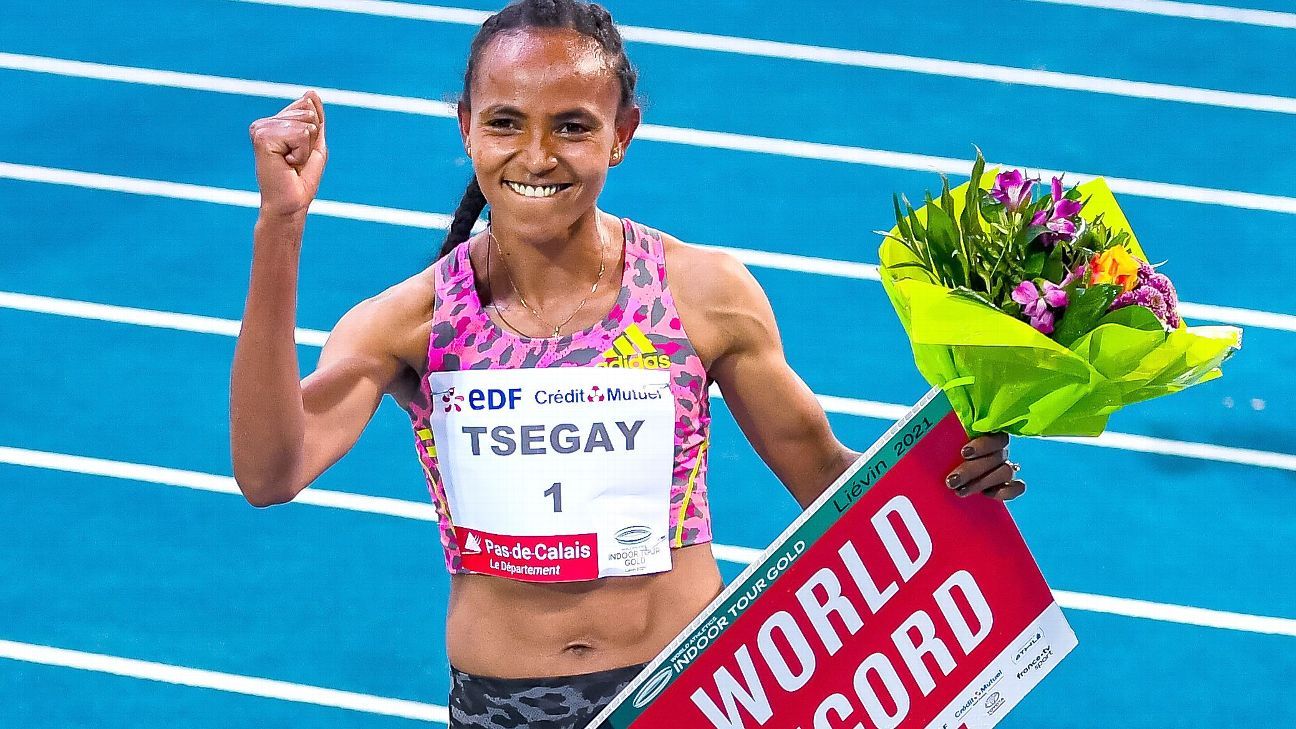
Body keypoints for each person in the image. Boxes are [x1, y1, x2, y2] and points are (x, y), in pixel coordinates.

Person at [230, 1, 1025, 726]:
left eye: (572, 127)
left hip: (690, 694)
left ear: (623, 132)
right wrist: (281, 223)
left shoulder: (704, 294)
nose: (536, 155)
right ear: (466, 127)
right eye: (505, 122)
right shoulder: (411, 321)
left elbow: (825, 477)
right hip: (503, 710)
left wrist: (948, 475)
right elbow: (270, 472)